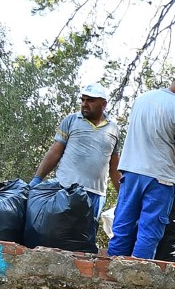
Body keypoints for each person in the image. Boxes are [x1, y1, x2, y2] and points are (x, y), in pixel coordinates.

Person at [110, 69, 175, 259]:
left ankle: (111, 275)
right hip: (160, 179)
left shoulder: (142, 99)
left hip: (131, 173)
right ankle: (137, 278)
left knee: (122, 227)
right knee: (149, 233)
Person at [32, 82, 122, 220]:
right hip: (66, 190)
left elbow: (114, 166)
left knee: (85, 238)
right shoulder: (71, 120)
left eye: (90, 100)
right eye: (83, 100)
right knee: (57, 233)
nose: (85, 104)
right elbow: (55, 152)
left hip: (95, 195)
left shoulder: (113, 129)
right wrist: (37, 179)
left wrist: (123, 196)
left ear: (103, 104)